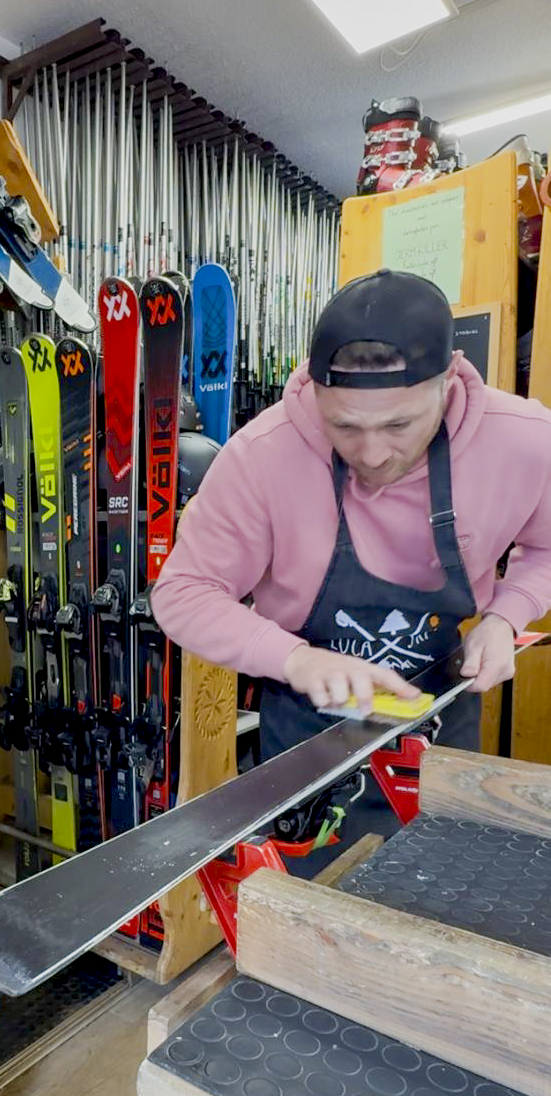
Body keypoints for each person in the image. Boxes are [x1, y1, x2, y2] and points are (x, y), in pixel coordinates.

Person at [152, 268, 551, 772]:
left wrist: (505, 615)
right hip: (307, 731)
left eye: (399, 424)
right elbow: (183, 592)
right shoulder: (262, 455)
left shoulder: (525, 441)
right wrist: (293, 659)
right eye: (344, 426)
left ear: (449, 380)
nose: (374, 453)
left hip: (440, 714)